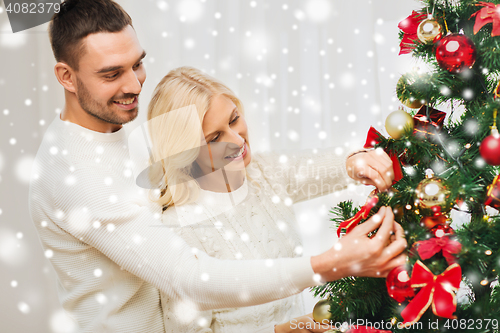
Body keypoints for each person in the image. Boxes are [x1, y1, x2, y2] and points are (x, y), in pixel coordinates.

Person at [27, 1, 407, 332]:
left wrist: (351, 162)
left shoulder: (125, 130)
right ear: (66, 77)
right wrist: (328, 264)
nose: (135, 85)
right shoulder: (75, 175)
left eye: (138, 64)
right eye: (112, 74)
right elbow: (190, 279)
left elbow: (269, 174)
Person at [145, 67, 404, 333]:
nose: (237, 140)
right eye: (215, 138)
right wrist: (281, 331)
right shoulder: (178, 229)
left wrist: (356, 161)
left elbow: (323, 167)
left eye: (234, 120)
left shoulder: (262, 173)